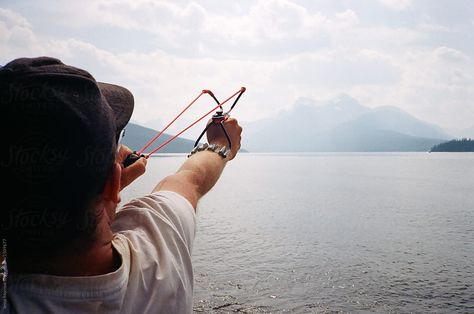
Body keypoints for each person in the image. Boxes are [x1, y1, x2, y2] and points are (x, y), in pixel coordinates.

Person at [0, 57, 242, 313]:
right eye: (118, 140)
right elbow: (192, 178)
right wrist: (222, 142)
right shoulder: (158, 242)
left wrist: (102, 189)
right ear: (115, 182)